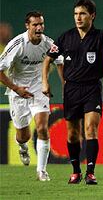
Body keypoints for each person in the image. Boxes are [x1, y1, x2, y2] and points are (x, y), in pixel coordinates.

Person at [42, 0, 103, 185]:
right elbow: (48, 59)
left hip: (91, 88)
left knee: (90, 129)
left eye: (82, 14)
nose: (78, 18)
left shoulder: (100, 36)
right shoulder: (65, 37)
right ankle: (75, 171)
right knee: (72, 134)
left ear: (92, 16)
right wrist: (45, 83)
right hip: (71, 89)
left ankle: (90, 172)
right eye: (76, 14)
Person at [0, 11, 63, 181]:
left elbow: (60, 62)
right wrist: (15, 88)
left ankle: (41, 171)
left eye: (41, 24)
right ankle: (22, 146)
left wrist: (65, 85)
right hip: (18, 90)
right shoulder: (17, 44)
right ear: (27, 26)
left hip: (38, 88)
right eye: (35, 24)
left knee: (42, 127)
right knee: (24, 136)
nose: (39, 28)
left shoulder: (48, 43)